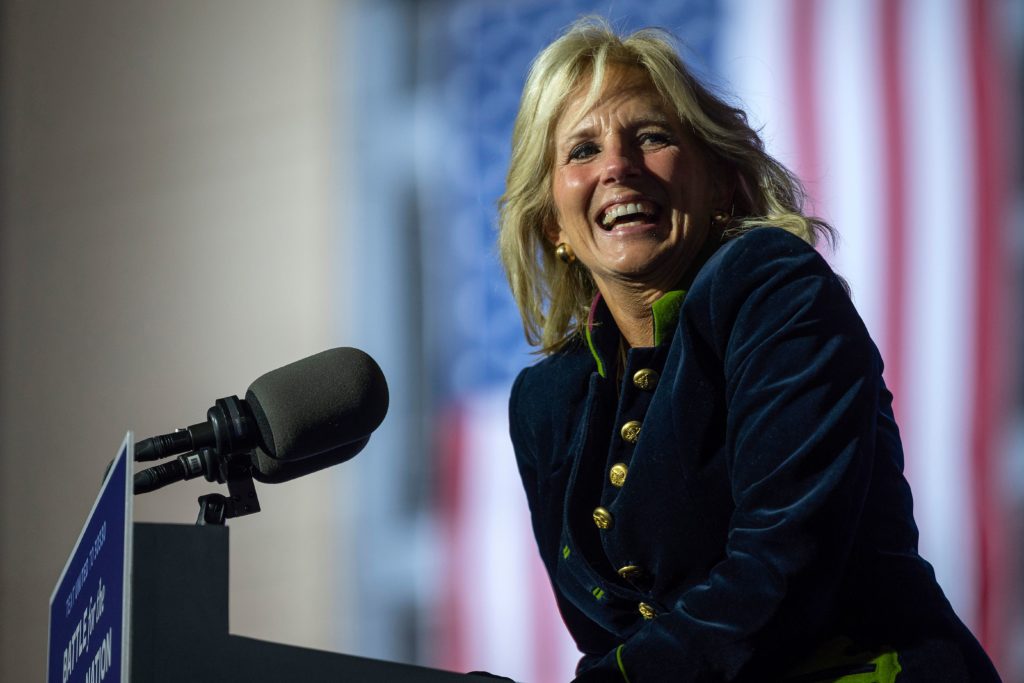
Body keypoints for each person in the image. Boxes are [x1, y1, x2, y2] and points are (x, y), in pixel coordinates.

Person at [498, 17, 1000, 683]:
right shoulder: (545, 400)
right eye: (582, 151)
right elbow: (610, 626)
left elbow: (783, 567)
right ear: (552, 224)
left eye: (651, 137)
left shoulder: (768, 285)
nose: (617, 166)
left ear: (722, 183)